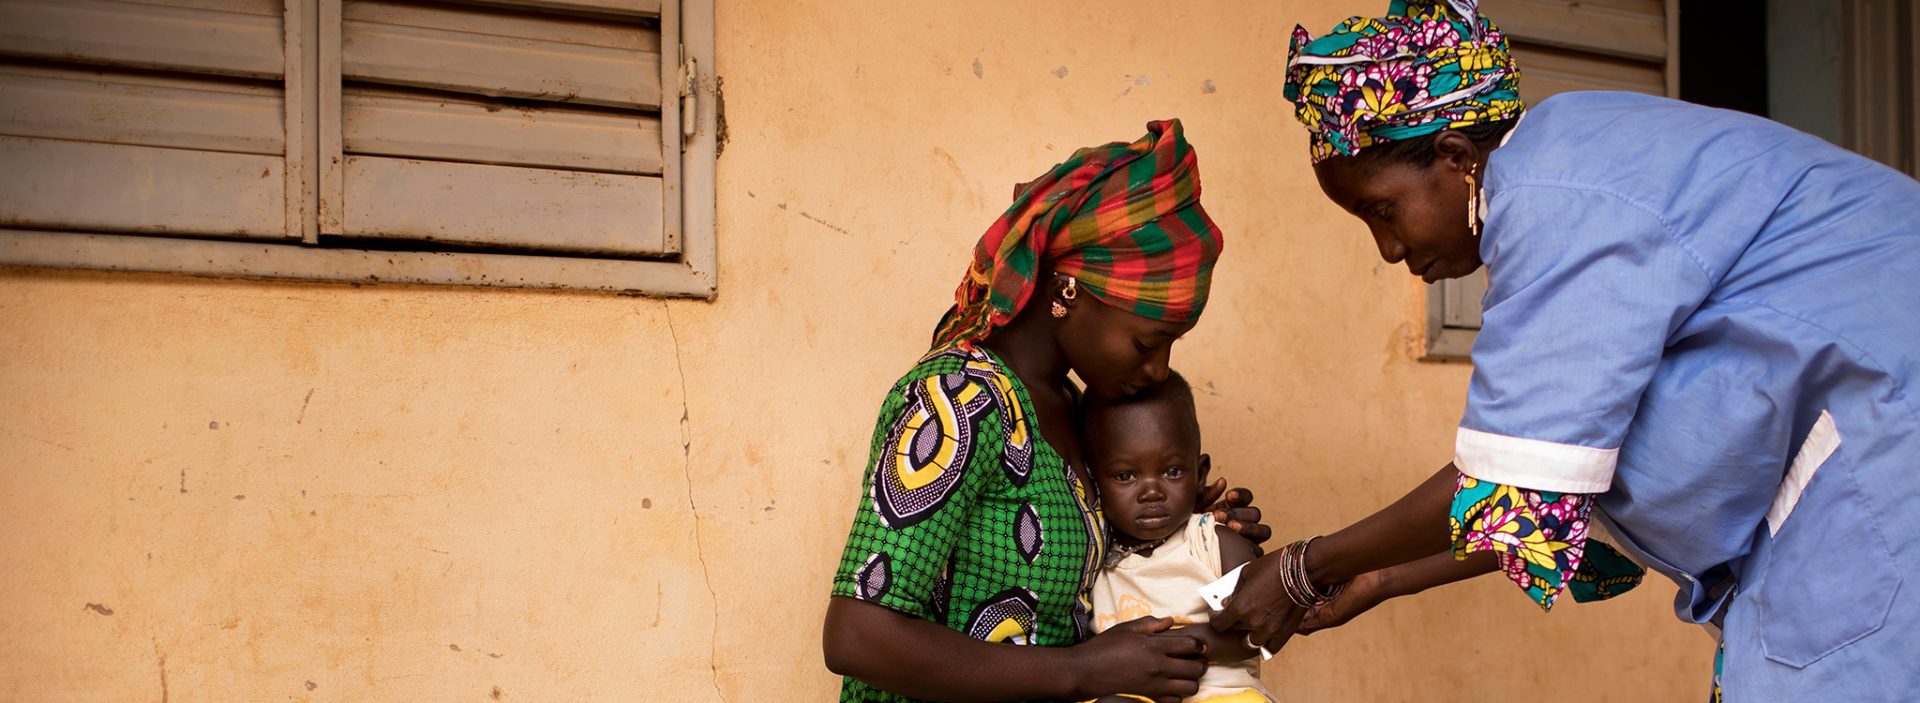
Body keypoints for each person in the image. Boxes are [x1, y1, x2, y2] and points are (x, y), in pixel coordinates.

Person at [1212, 1, 1920, 700]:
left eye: (1382, 210)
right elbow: (1556, 480)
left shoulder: (1557, 196)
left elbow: (1515, 476)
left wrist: (1301, 568)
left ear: (1455, 159)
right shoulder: (1575, 172)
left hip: (1880, 476)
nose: (1389, 249)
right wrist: (1381, 576)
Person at [822, 119, 1269, 703]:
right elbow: (857, 637)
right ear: (1068, 292)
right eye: (1147, 341)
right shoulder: (960, 399)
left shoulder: (1074, 408)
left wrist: (1190, 531)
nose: (1160, 370)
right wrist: (1083, 671)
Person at [1086, 372, 1270, 703]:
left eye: (1172, 471)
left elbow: (1251, 632)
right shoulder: (1096, 559)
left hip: (1220, 694)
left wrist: (1158, 646)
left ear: (1200, 475)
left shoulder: (1213, 544)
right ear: (1093, 481)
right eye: (1126, 476)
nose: (1152, 491)